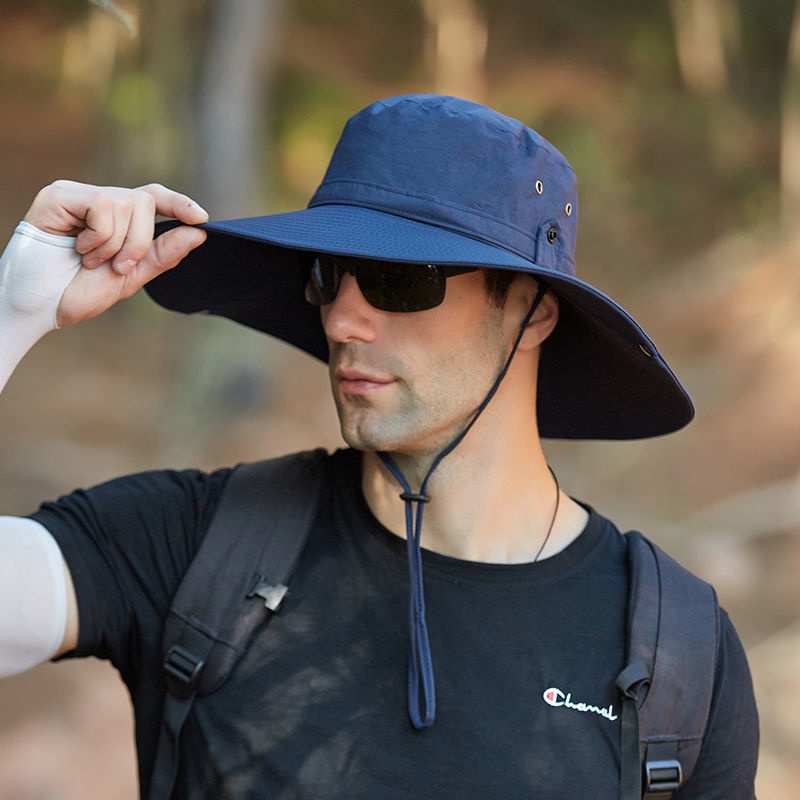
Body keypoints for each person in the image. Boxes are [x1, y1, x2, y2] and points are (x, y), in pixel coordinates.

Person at [0, 94, 758, 798]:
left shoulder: (676, 658)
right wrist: (12, 309)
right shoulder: (202, 547)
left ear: (531, 312)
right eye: (331, 276)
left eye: (402, 280)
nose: (343, 322)